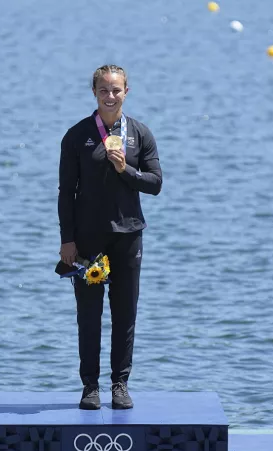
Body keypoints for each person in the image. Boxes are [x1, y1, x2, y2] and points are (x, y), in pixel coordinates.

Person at [58, 65, 163, 410]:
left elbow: (155, 184)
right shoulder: (77, 135)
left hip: (128, 235)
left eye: (116, 90)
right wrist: (67, 240)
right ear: (94, 93)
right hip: (88, 241)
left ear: (127, 92)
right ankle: (90, 386)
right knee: (89, 315)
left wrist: (125, 170)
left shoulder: (140, 134)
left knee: (125, 313)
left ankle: (120, 384)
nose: (110, 96)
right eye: (104, 90)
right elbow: (66, 193)